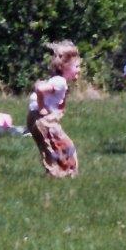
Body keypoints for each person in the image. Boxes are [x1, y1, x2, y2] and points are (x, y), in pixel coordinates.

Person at [27, 41, 82, 178]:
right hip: (42, 119)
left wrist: (59, 111)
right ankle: (58, 174)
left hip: (38, 118)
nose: (79, 69)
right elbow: (40, 89)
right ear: (65, 67)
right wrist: (42, 108)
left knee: (59, 145)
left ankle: (62, 172)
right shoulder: (60, 82)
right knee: (60, 146)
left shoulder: (59, 81)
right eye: (76, 66)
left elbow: (59, 100)